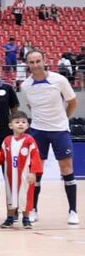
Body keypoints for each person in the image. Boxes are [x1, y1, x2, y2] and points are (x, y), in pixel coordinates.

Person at [21, 50, 78, 224]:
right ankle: (33, 210)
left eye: (38, 61)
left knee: (66, 169)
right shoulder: (25, 86)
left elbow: (73, 102)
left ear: (45, 60)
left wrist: (63, 119)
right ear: (28, 64)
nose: (36, 65)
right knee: (36, 171)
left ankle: (73, 211)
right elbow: (31, 106)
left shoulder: (59, 80)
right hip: (38, 131)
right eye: (32, 62)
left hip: (60, 130)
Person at [0, 111, 43, 229]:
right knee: (10, 196)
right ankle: (10, 218)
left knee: (26, 196)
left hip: (25, 176)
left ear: (27, 125)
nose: (20, 124)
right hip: (10, 176)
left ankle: (26, 219)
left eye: (23, 122)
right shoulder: (7, 141)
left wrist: (33, 172)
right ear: (11, 125)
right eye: (17, 122)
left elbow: (36, 157)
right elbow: (2, 156)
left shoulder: (29, 140)